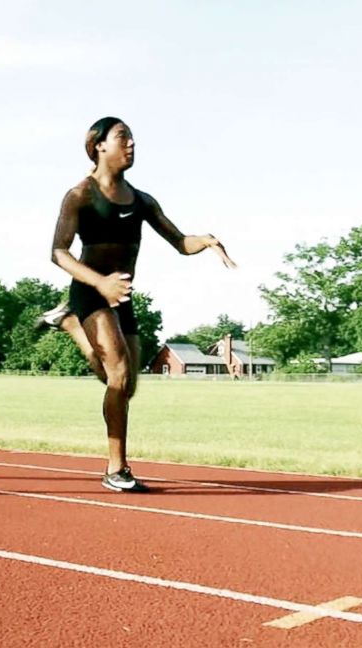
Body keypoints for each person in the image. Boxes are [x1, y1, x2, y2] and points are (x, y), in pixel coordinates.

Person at [45, 116, 236, 492]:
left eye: (133, 138)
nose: (131, 144)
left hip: (124, 298)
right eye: (123, 137)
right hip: (92, 292)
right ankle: (117, 469)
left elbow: (180, 243)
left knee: (125, 385)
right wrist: (100, 282)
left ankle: (71, 327)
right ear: (99, 145)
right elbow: (58, 252)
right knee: (116, 375)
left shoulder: (143, 201)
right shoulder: (80, 194)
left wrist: (207, 240)